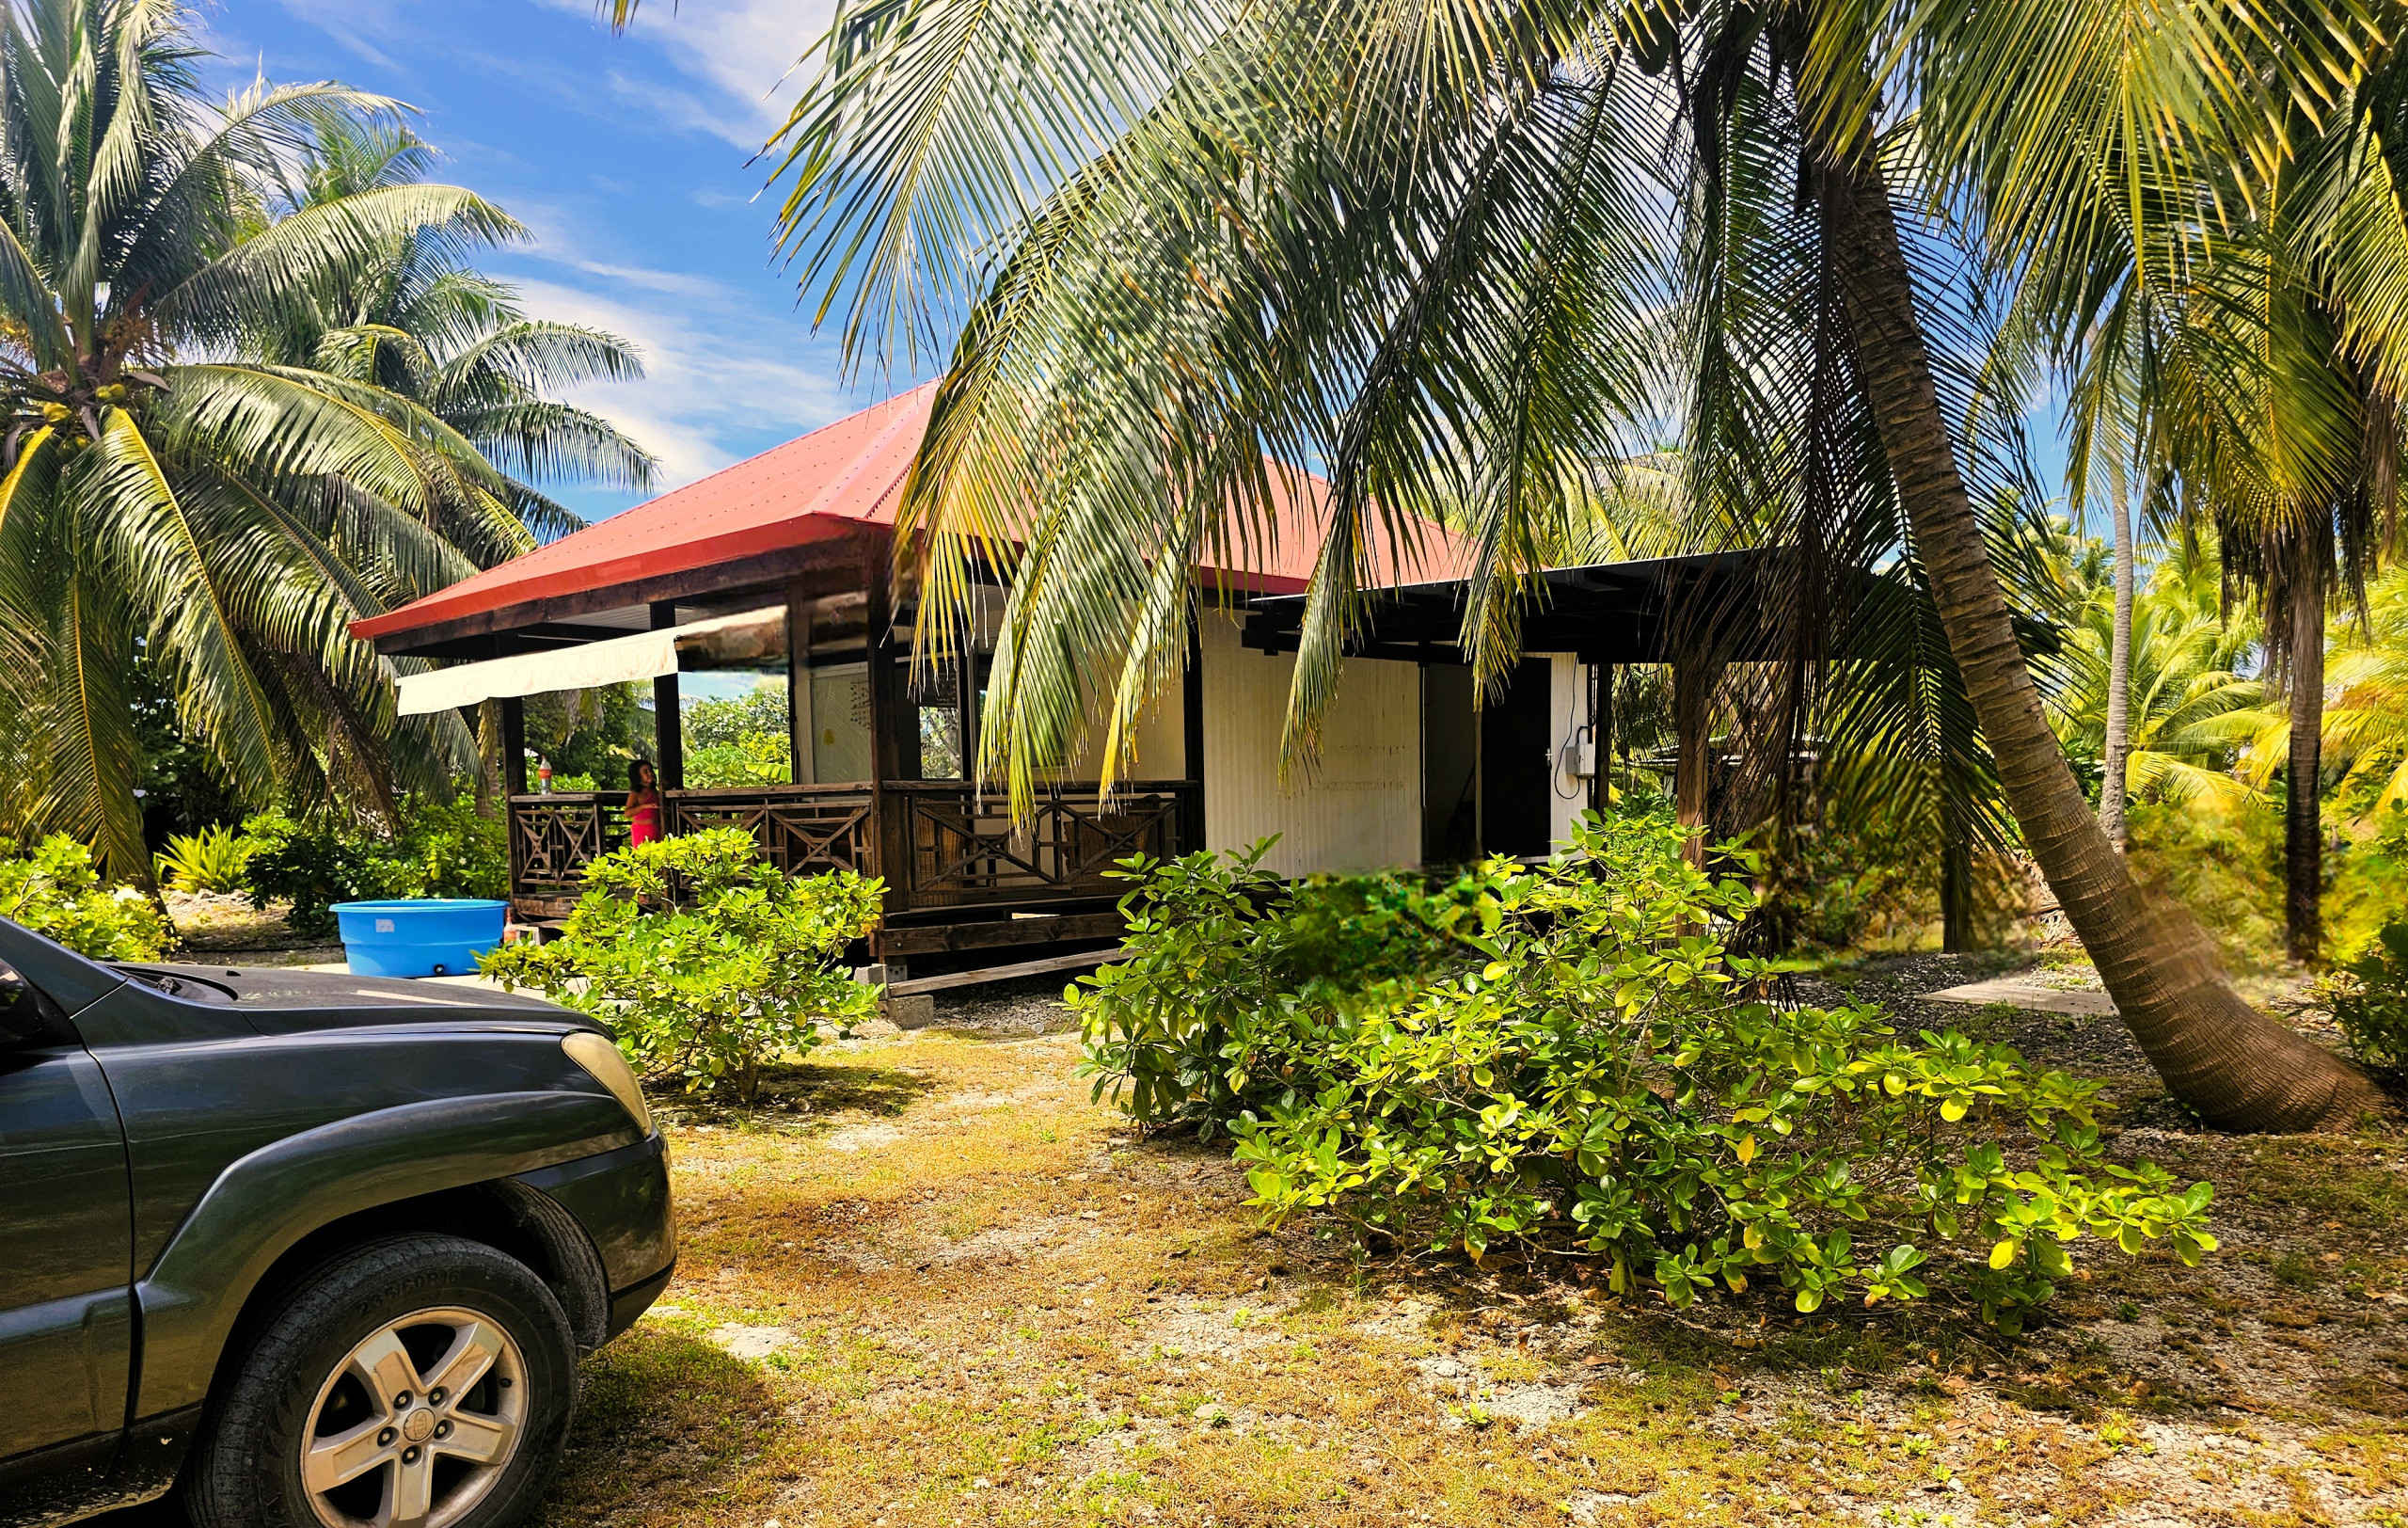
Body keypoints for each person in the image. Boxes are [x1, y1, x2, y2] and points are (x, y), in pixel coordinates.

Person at [626, 759, 663, 847]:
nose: (650, 773)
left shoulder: (655, 792)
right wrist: (645, 806)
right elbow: (627, 813)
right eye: (645, 772)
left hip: (657, 829)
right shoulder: (635, 793)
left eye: (650, 771)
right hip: (642, 831)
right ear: (638, 775)